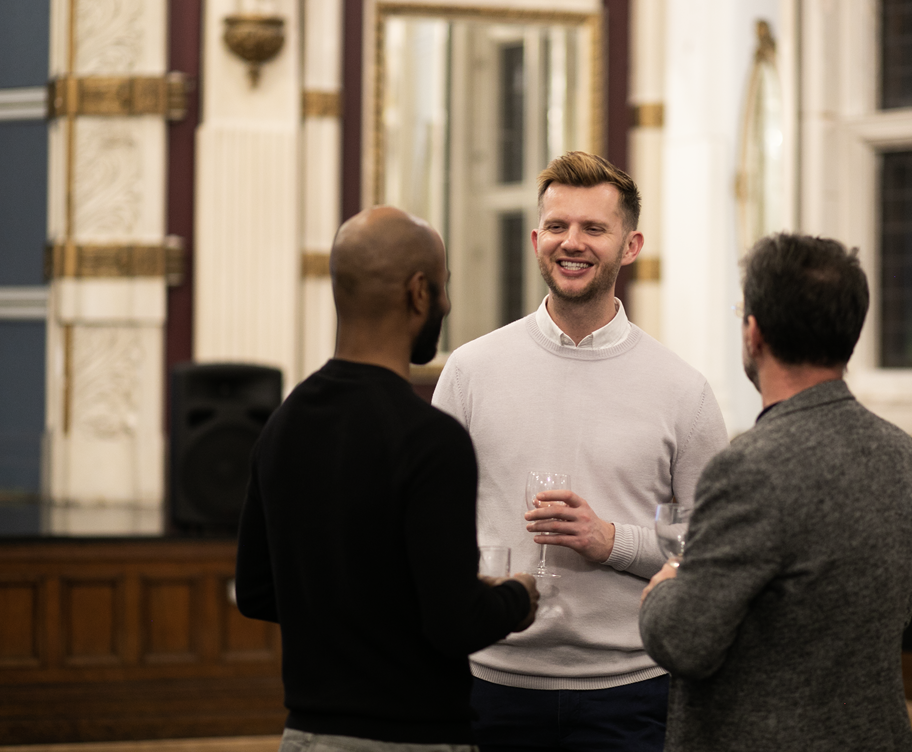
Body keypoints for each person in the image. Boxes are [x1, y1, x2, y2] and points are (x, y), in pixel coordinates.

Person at [432, 151, 729, 752]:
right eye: (559, 227)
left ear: (630, 244)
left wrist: (609, 540)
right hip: (489, 684)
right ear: (537, 239)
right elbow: (429, 527)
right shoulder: (469, 371)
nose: (574, 242)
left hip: (632, 692)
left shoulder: (683, 390)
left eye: (594, 228)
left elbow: (714, 550)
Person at [235, 206, 540, 752]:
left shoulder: (282, 426)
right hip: (408, 738)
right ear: (419, 292)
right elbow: (455, 623)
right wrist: (518, 597)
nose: (446, 303)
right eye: (444, 287)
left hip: (304, 736)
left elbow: (257, 592)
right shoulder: (430, 440)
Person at [639, 233, 912, 752]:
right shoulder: (902, 454)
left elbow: (685, 642)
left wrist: (664, 588)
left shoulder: (749, 468)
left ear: (753, 332)